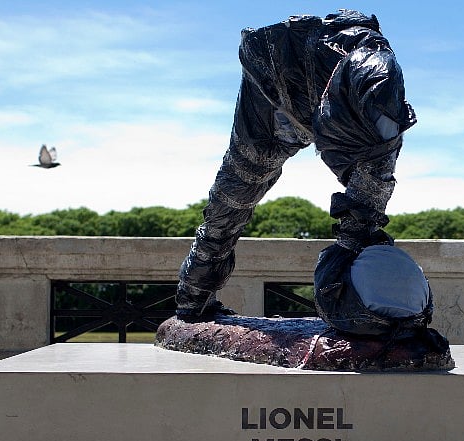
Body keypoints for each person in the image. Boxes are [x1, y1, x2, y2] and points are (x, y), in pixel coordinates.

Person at [175, 9, 416, 323]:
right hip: (272, 78)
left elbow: (373, 181)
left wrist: (352, 244)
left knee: (363, 212)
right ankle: (193, 298)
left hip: (320, 84)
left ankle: (365, 313)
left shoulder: (379, 100)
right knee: (232, 195)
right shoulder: (343, 72)